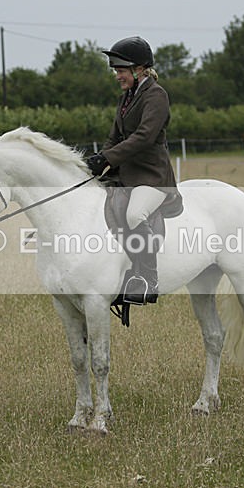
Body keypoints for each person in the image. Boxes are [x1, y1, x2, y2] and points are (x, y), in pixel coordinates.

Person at [85, 36, 180, 305]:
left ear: (139, 70)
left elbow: (144, 136)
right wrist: (101, 158)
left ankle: (148, 278)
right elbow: (115, 137)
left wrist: (110, 158)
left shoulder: (157, 96)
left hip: (152, 176)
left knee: (135, 214)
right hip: (125, 174)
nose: (117, 76)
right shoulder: (125, 98)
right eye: (116, 71)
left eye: (121, 70)